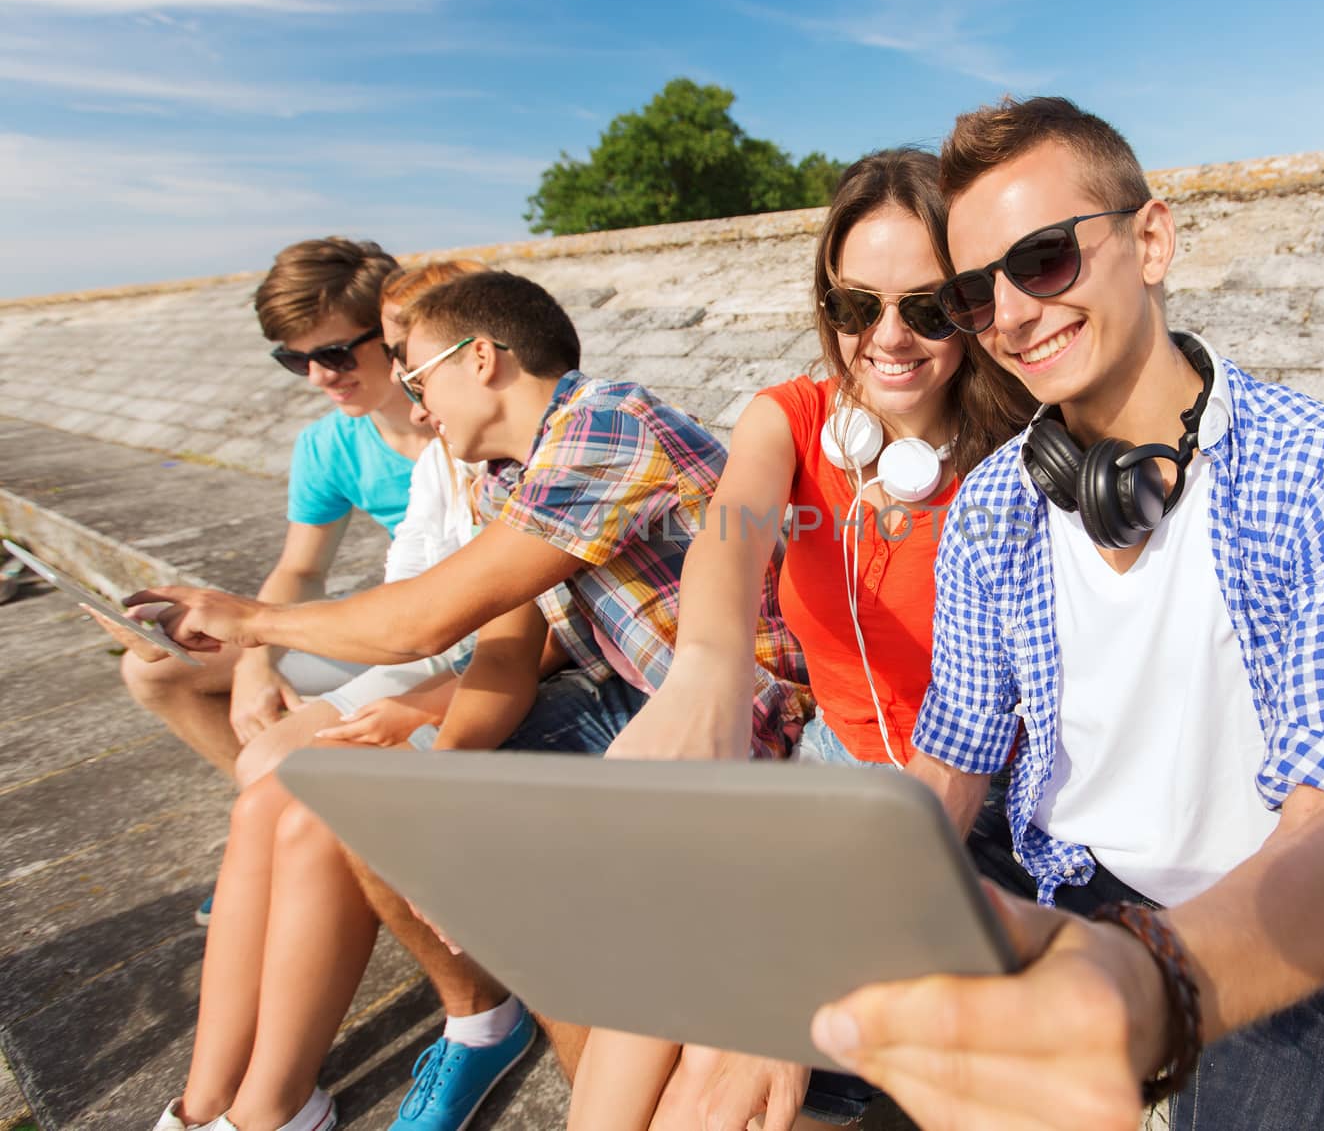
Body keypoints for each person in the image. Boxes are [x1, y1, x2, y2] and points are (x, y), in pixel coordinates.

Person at [809, 97, 1324, 1130]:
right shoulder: (994, 507)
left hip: (1259, 913)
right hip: (1057, 874)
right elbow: (949, 757)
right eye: (976, 294)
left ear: (1150, 238)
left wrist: (1147, 974)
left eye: (1044, 260)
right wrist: (794, 987)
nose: (1013, 314)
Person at [136, 270, 811, 1131]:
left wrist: (255, 621)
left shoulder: (606, 424)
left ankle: (517, 1043)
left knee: (528, 877)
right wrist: (437, 789)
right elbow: (504, 653)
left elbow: (423, 622)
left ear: (482, 358)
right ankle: (237, 1107)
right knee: (314, 790)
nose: (417, 409)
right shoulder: (507, 475)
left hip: (747, 726)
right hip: (641, 700)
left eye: (419, 380)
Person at [571, 149, 1036, 1131]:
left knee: (728, 1071)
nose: (888, 337)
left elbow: (969, 757)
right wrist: (704, 664)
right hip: (834, 766)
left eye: (928, 305)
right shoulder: (794, 419)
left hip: (981, 803)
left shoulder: (1026, 463)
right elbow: (734, 528)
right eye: (857, 306)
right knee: (655, 969)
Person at [145, 260, 519, 1131]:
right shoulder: (434, 467)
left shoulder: (524, 458)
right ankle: (207, 1102)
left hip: (492, 672)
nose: (326, 377)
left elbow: (512, 640)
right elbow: (398, 601)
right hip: (445, 658)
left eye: (401, 359)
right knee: (264, 798)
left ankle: (275, 1101)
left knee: (312, 797)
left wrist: (264, 631)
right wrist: (257, 641)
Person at [117, 237, 434, 783]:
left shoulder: (467, 428)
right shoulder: (327, 444)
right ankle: (267, 805)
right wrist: (255, 662)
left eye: (334, 355)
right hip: (396, 627)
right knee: (156, 670)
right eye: (295, 359)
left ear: (392, 333)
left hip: (460, 636)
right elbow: (301, 569)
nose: (318, 378)